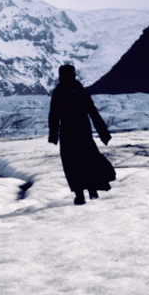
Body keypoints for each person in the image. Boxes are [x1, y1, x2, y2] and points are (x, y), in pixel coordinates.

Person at [48, 64, 115, 205]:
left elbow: (54, 115)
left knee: (73, 163)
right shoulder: (79, 90)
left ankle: (82, 193)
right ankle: (90, 190)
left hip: (69, 132)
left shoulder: (60, 92)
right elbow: (92, 111)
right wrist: (103, 132)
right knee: (87, 160)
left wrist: (53, 134)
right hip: (81, 131)